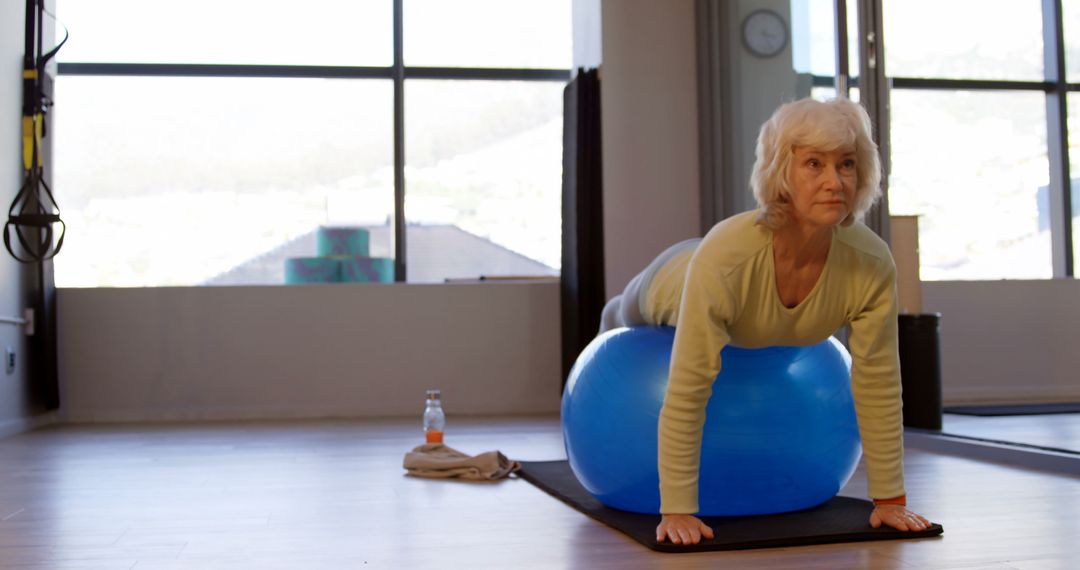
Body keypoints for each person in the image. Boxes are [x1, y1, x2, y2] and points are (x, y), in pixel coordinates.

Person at [598, 97, 932, 545]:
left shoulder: (870, 264)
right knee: (620, 311)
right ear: (781, 173)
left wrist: (890, 500)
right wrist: (677, 509)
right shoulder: (726, 259)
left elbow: (878, 382)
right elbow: (690, 384)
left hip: (731, 278)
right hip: (677, 277)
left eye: (847, 165)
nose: (835, 182)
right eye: (814, 164)